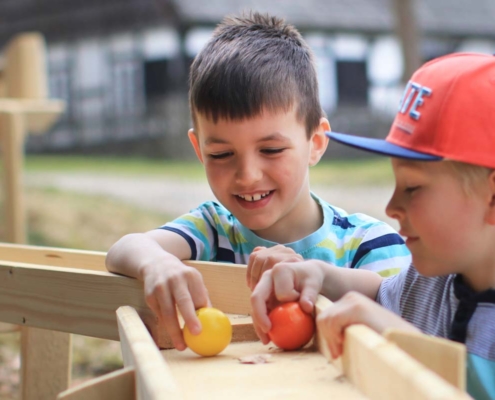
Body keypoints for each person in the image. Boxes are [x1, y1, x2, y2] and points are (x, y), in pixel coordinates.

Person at [106, 12, 410, 352]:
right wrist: (157, 263)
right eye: (221, 154)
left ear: (316, 143)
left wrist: (319, 276)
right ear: (199, 150)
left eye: (271, 149)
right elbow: (124, 249)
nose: (247, 175)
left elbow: (403, 318)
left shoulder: (369, 244)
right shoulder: (211, 229)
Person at [251, 52, 495, 399]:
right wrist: (319, 274)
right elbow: (383, 295)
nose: (392, 207)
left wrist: (404, 344)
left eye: (413, 188)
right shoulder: (433, 279)